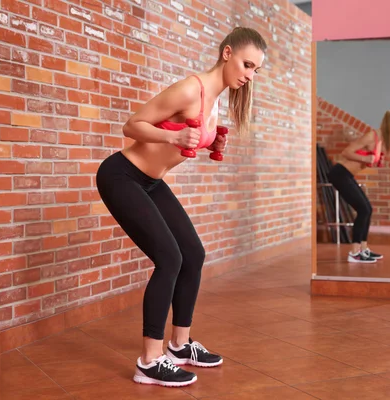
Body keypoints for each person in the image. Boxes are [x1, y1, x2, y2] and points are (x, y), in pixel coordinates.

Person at [95, 27, 267, 387]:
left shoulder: (215, 99)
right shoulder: (192, 88)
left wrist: (209, 142)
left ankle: (179, 345)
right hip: (121, 176)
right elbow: (132, 125)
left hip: (151, 182)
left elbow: (183, 138)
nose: (250, 75)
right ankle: (149, 360)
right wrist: (173, 136)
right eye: (247, 64)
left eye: (256, 70)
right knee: (170, 258)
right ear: (227, 53)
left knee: (193, 253)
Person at [327, 110, 390, 263]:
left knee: (368, 209)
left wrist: (377, 159)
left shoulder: (380, 141)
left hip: (347, 175)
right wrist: (366, 157)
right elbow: (346, 152)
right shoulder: (371, 136)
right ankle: (354, 253)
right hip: (339, 173)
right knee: (363, 209)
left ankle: (363, 249)